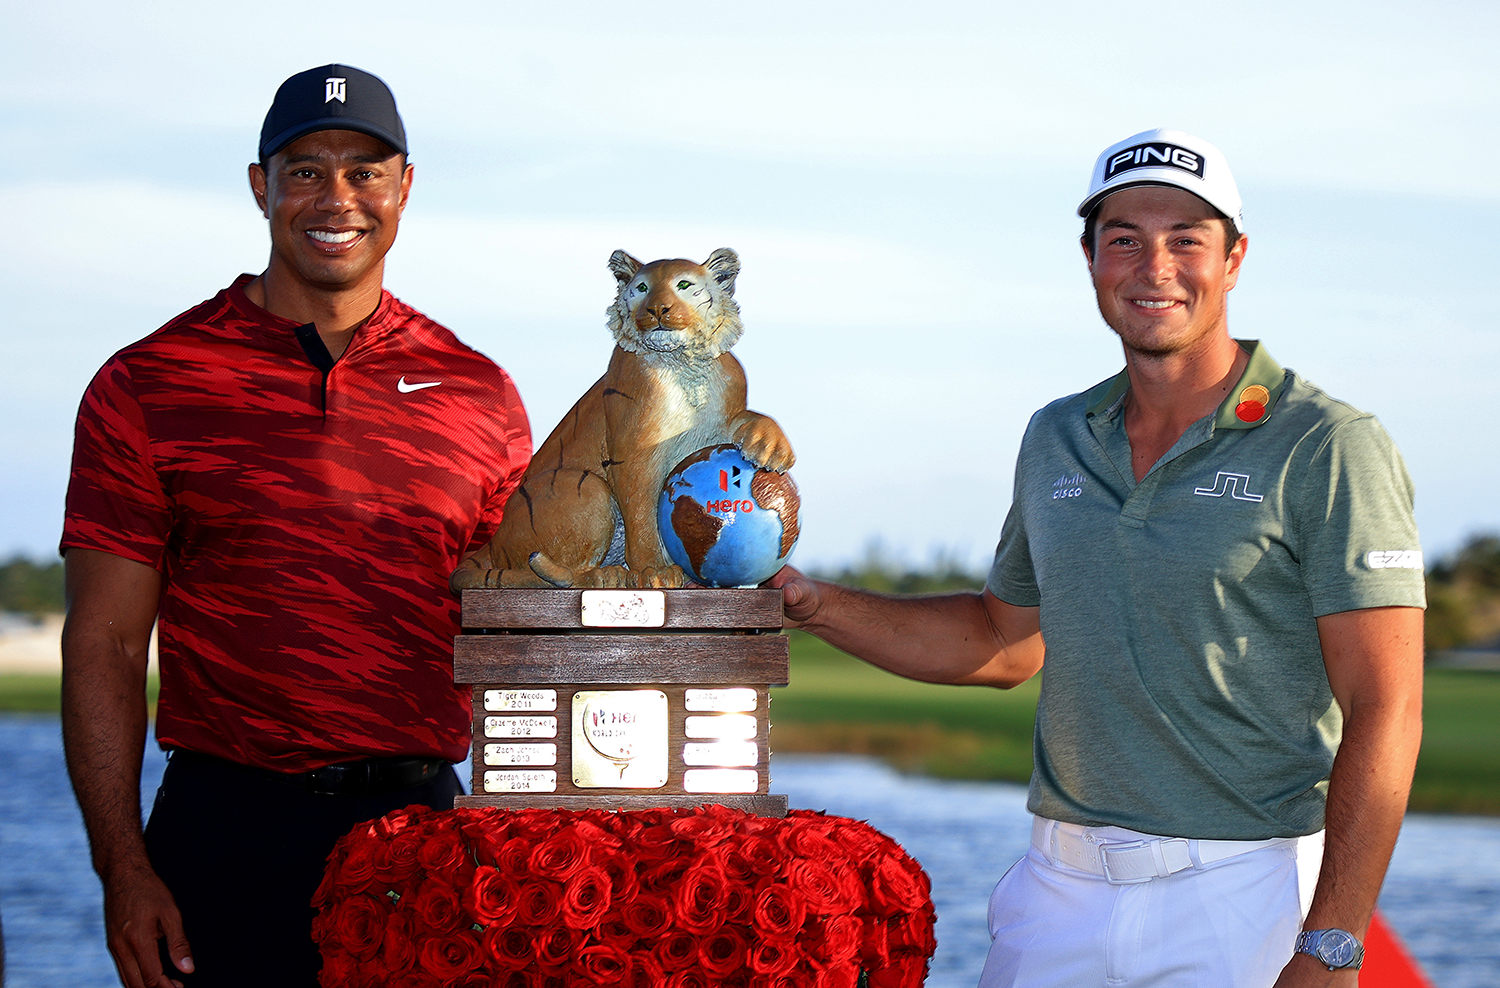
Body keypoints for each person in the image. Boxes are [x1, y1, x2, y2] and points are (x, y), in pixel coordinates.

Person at [770, 128, 1425, 988]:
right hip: (1058, 892)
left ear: (1234, 259)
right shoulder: (1057, 437)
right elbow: (1004, 643)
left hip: (1242, 898)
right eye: (1125, 239)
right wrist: (811, 602)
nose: (1155, 266)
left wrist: (1333, 943)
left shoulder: (1328, 443)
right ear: (1090, 260)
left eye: (1187, 239)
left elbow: (1387, 708)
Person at [60, 65, 531, 988]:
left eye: (364, 170)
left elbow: (514, 632)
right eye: (305, 170)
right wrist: (123, 868)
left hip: (425, 837)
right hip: (224, 837)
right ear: (260, 187)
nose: (337, 197)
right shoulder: (148, 382)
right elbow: (106, 643)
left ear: (404, 188)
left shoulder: (480, 393)